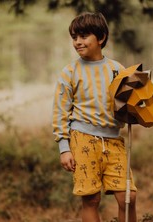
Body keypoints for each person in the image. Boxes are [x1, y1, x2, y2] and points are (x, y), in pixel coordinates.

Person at [52, 12, 137, 222]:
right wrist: (64, 148)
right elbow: (60, 112)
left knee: (128, 196)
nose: (77, 42)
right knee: (90, 200)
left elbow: (128, 104)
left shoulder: (117, 70)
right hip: (83, 140)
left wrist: (135, 110)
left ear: (101, 38)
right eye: (74, 37)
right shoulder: (69, 72)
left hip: (114, 141)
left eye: (83, 36)